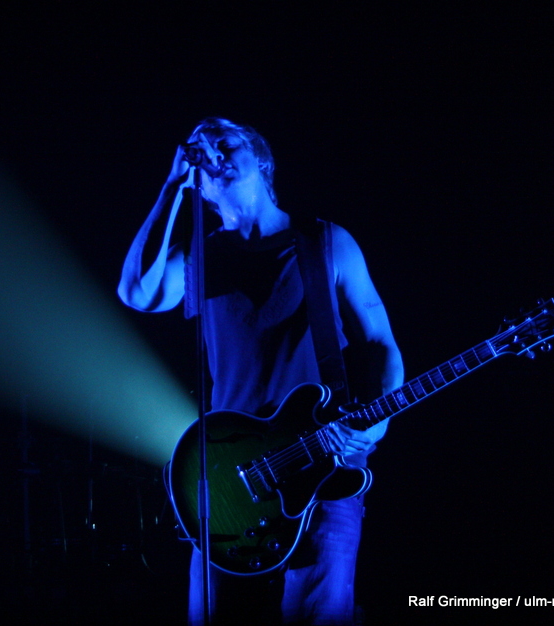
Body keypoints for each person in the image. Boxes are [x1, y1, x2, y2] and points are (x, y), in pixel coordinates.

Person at [118, 118, 403, 625]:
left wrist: (375, 423)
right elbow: (137, 292)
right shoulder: (200, 257)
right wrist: (172, 186)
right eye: (199, 148)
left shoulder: (325, 241)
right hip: (231, 475)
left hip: (324, 462)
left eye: (224, 142)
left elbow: (378, 340)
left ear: (261, 159)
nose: (212, 153)